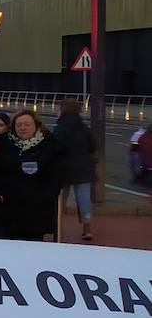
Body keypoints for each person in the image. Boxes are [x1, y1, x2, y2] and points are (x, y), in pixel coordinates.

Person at [0, 109, 64, 243]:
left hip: (36, 210)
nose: (22, 128)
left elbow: (56, 177)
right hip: (8, 210)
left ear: (36, 126)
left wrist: (44, 196)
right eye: (19, 125)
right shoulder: (5, 144)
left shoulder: (49, 146)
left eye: (27, 124)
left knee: (33, 247)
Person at [52, 100, 97, 242]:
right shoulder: (83, 127)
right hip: (84, 166)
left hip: (64, 167)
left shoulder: (61, 127)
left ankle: (58, 227)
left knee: (60, 199)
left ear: (63, 110)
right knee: (84, 198)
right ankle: (87, 228)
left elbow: (56, 147)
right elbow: (92, 145)